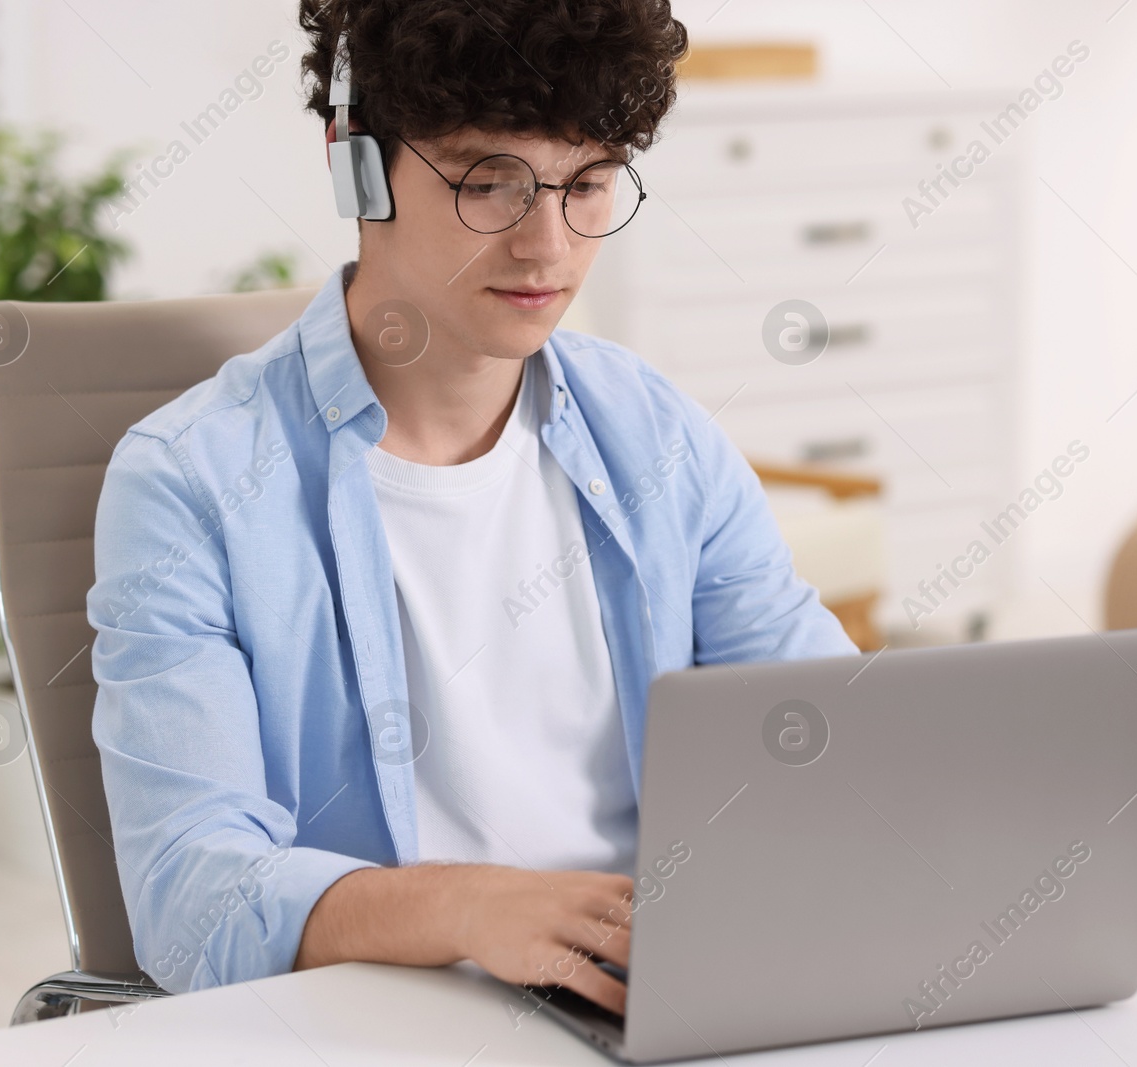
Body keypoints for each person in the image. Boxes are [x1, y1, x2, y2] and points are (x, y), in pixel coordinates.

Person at [88, 0, 856, 1018]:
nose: (547, 246)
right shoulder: (191, 481)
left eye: (586, 184)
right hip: (388, 1021)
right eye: (488, 181)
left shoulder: (655, 434)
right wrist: (472, 909)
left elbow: (833, 737)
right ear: (354, 162)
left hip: (658, 1002)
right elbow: (191, 901)